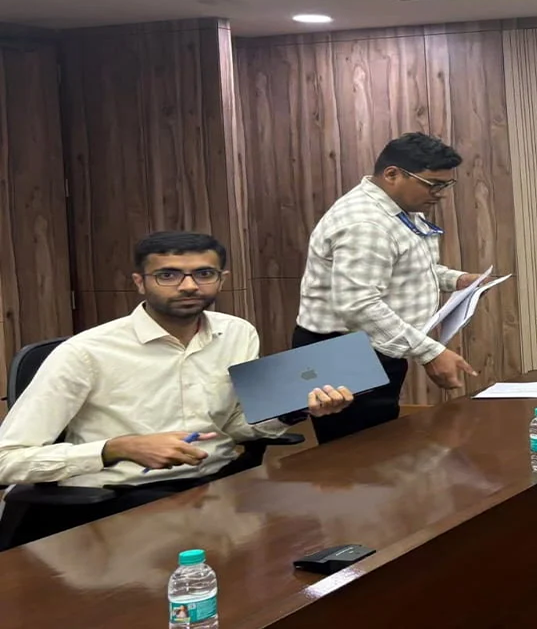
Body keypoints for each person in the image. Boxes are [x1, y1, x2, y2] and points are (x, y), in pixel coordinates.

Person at [0, 231, 352, 545]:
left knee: (337, 526)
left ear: (222, 279)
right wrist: (118, 448)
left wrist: (293, 410)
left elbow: (232, 426)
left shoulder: (237, 333)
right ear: (140, 282)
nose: (188, 286)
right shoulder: (85, 353)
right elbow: (7, 460)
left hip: (220, 490)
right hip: (122, 503)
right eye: (167, 275)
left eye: (204, 274)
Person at [294, 132, 480, 443]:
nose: (440, 194)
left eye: (445, 185)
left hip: (376, 343)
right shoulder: (366, 223)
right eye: (432, 184)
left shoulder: (399, 209)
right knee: (356, 451)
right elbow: (358, 305)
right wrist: (430, 352)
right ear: (392, 174)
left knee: (379, 441)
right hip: (343, 351)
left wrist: (458, 280)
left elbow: (407, 269)